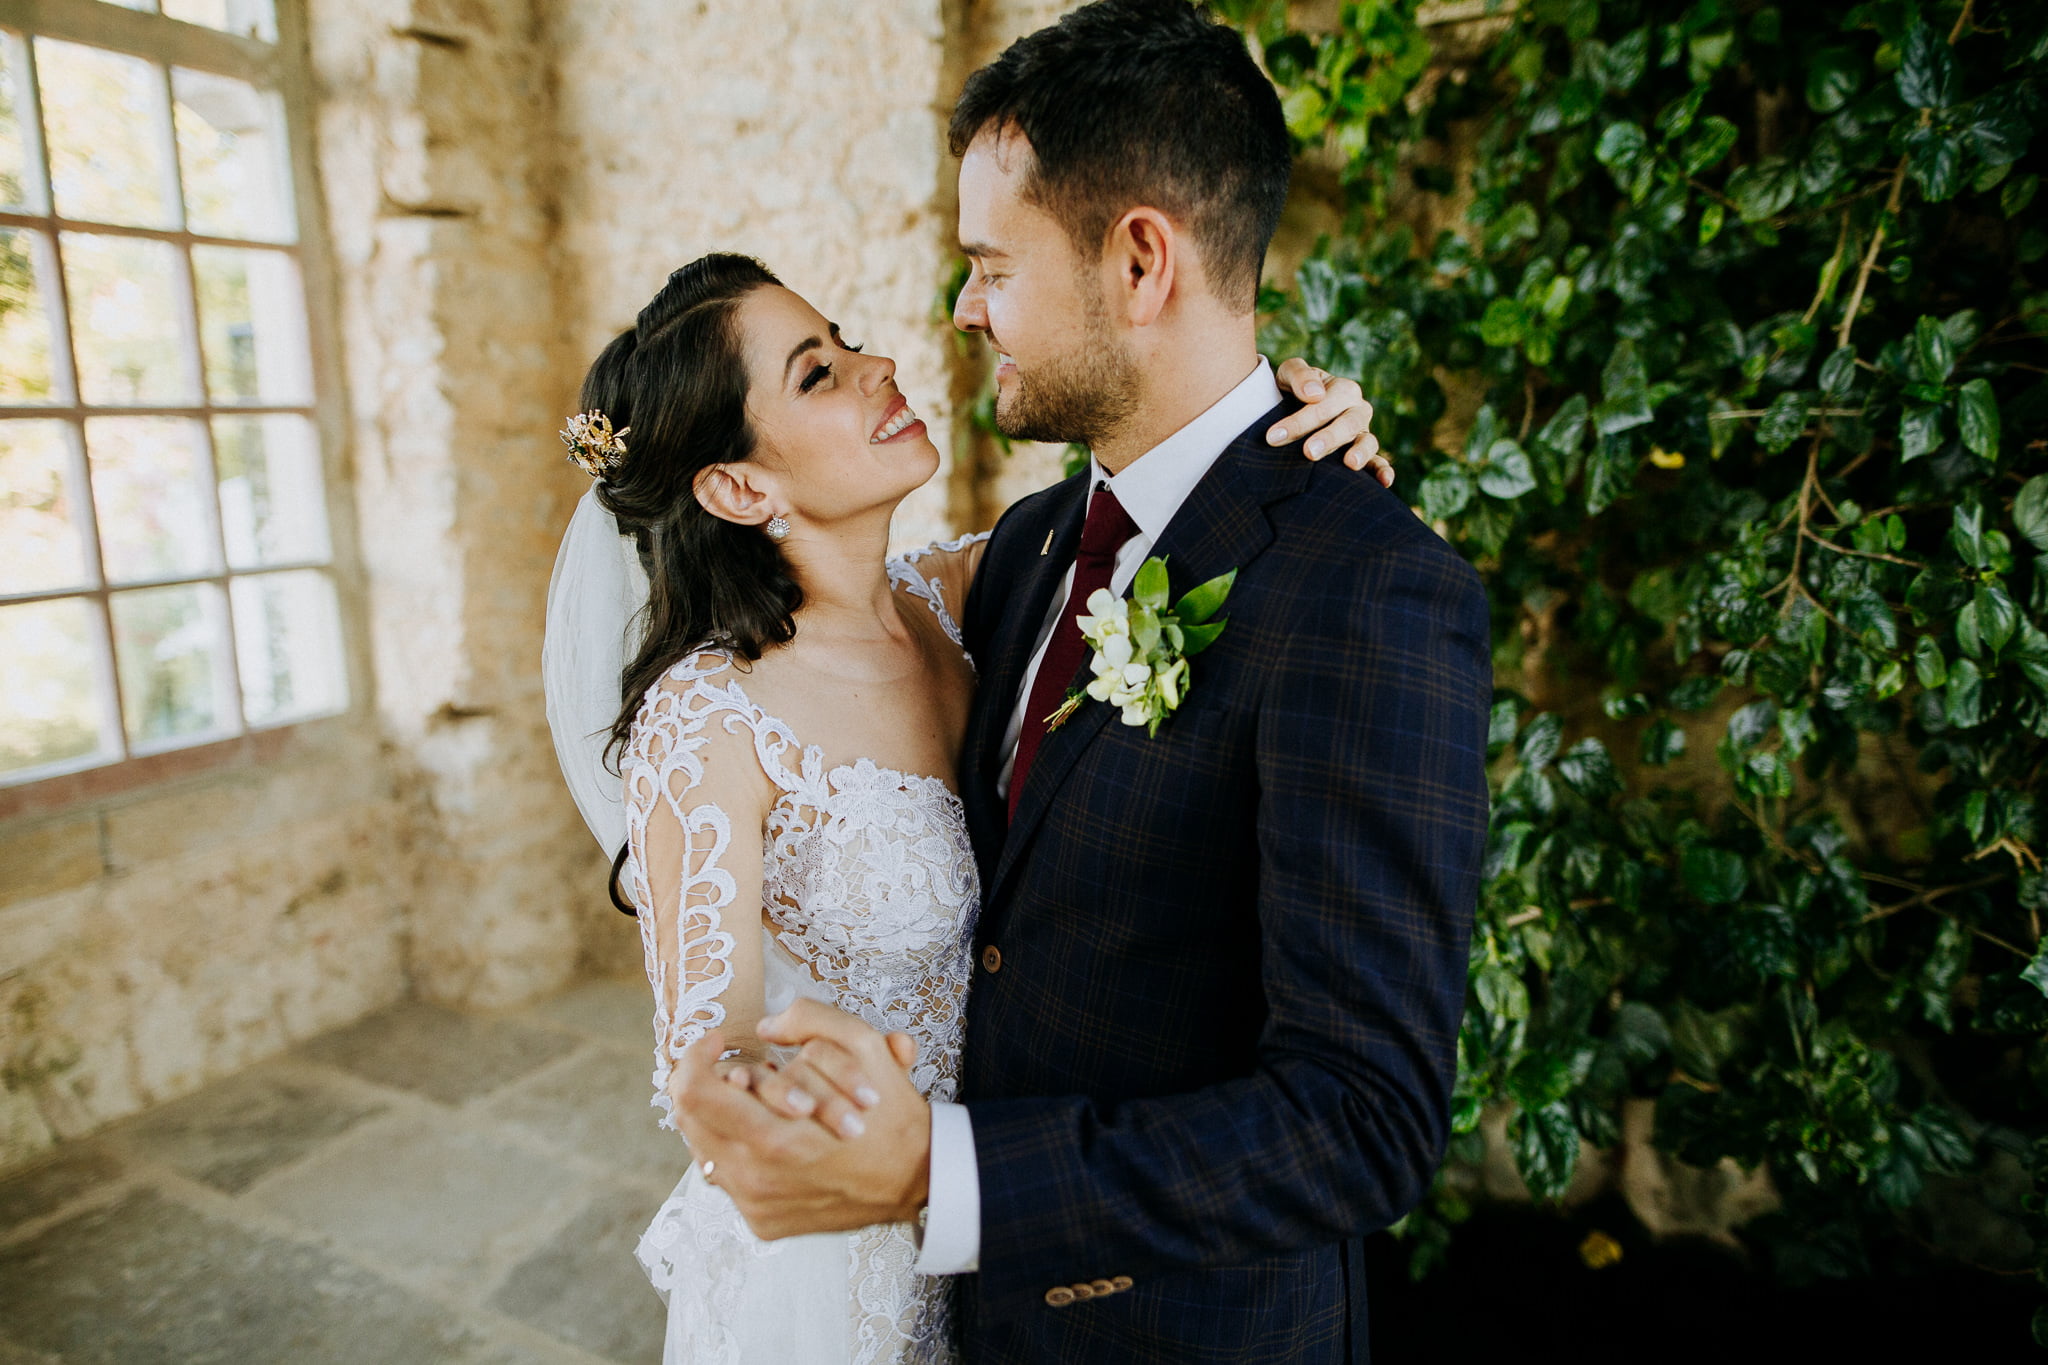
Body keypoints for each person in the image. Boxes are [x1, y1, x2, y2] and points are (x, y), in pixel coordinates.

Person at [660, 4, 1495, 1363]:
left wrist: (949, 1175)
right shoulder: (1035, 548)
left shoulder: (1369, 592)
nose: (963, 308)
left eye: (991, 263)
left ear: (1141, 259)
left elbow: (1367, 1119)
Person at [542, 247, 1385, 1362]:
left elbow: (1170, 506)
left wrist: (1301, 427)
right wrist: (858, 1127)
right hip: (852, 1268)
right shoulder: (708, 723)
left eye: (843, 339)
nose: (877, 363)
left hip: (1022, 1213)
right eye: (816, 374)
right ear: (739, 488)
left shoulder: (969, 596)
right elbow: (708, 1070)